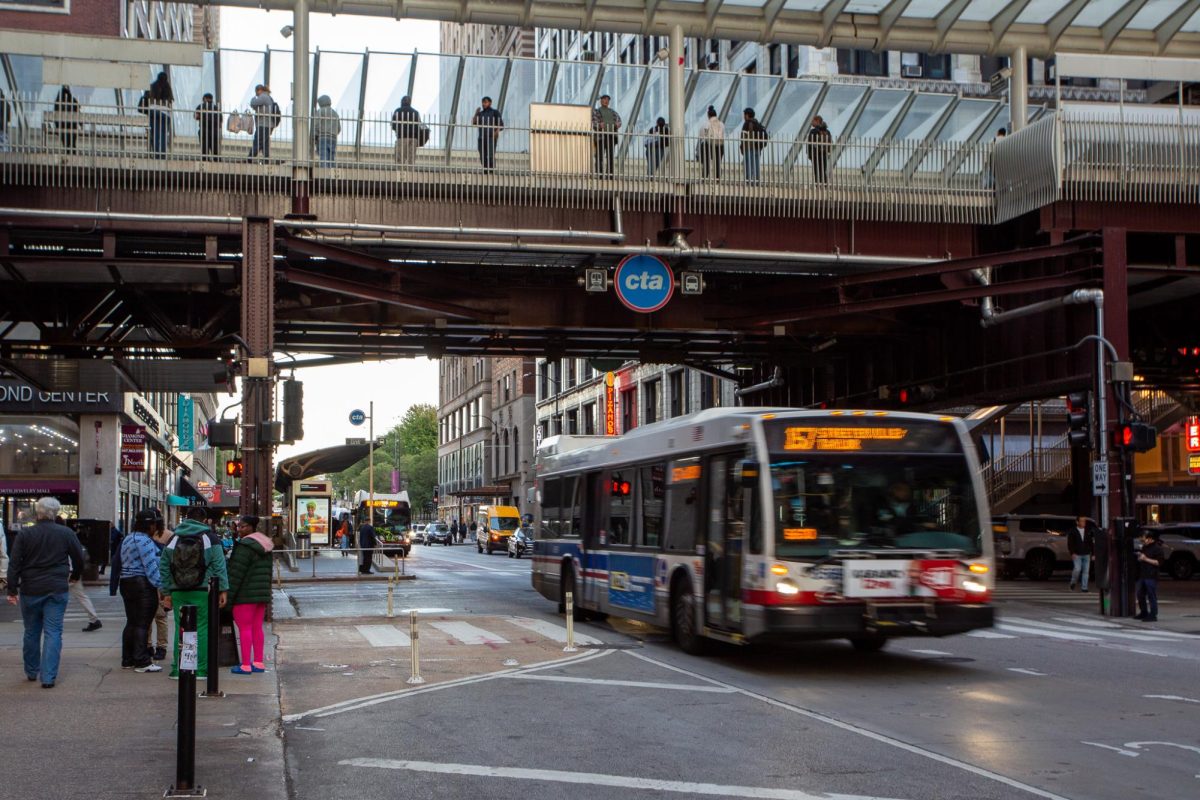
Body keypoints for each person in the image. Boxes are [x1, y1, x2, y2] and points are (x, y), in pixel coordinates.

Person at [6, 497, 87, 688]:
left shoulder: (25, 534)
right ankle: (48, 677)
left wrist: (11, 588)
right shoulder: (65, 533)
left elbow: (14, 562)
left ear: (38, 512)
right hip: (56, 588)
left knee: (31, 631)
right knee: (53, 632)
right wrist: (74, 575)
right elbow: (79, 558)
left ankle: (32, 670)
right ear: (56, 512)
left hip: (30, 588)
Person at [159, 507, 228, 679]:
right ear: (204, 520)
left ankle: (178, 668)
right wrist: (223, 590)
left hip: (178, 591)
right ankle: (201, 669)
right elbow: (220, 566)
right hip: (203, 590)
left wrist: (167, 591)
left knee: (180, 628)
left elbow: (164, 566)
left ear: (186, 519)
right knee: (202, 628)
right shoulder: (210, 538)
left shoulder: (173, 538)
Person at [117, 508, 164, 673]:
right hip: (142, 584)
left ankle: (127, 658)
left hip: (126, 582)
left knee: (131, 622)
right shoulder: (144, 541)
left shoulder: (128, 539)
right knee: (143, 623)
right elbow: (150, 567)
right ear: (150, 525)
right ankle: (142, 661)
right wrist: (162, 586)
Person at [226, 516, 273, 675]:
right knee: (256, 627)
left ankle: (245, 664)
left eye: (243, 527)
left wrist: (229, 597)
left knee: (244, 628)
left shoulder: (245, 546)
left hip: (245, 595)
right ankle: (258, 662)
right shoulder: (265, 545)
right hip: (261, 594)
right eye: (238, 526)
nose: (239, 530)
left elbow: (236, 573)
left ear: (252, 527)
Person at [1135, 529, 1165, 622]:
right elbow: (1143, 558)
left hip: (1151, 575)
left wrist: (1146, 559)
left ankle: (1153, 614)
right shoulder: (1145, 547)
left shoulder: (1157, 549)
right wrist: (1140, 558)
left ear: (1150, 539)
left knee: (1151, 595)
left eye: (1145, 539)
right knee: (1140, 593)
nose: (1143, 541)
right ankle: (1144, 611)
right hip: (1143, 574)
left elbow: (1158, 562)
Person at [591, 93, 621, 175]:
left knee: (610, 156)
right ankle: (599, 173)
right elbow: (593, 122)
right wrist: (599, 125)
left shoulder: (612, 112)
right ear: (601, 101)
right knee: (599, 156)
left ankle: (610, 174)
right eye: (604, 99)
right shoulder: (596, 111)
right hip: (600, 137)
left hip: (611, 136)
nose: (606, 101)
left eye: (607, 99)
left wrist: (618, 124)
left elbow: (619, 120)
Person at [471, 96, 504, 172]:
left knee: (490, 155)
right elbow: (474, 122)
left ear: (490, 103)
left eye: (485, 102)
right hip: (481, 138)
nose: (483, 104)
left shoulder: (495, 112)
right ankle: (486, 171)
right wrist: (476, 113)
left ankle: (491, 171)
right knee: (482, 155)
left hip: (491, 137)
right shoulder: (480, 114)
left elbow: (501, 124)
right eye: (482, 102)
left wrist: (497, 131)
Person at [146, 71, 174, 157]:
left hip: (154, 111)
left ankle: (156, 152)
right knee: (163, 134)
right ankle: (162, 153)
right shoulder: (168, 88)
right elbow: (171, 100)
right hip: (165, 113)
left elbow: (148, 98)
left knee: (155, 132)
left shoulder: (152, 86)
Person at [249, 84, 279, 161]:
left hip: (264, 124)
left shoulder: (263, 96)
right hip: (268, 124)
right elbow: (256, 107)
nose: (256, 94)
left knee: (258, 141)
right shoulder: (268, 97)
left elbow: (253, 103)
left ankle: (250, 157)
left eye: (256, 91)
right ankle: (266, 159)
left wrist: (253, 98)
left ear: (260, 90)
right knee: (265, 143)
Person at [739, 107, 768, 185]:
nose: (744, 116)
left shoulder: (747, 123)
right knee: (756, 165)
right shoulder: (757, 123)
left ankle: (749, 181)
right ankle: (757, 181)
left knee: (749, 165)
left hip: (749, 148)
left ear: (747, 115)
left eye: (744, 114)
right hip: (758, 148)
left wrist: (742, 147)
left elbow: (743, 137)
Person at [390, 95, 422, 165]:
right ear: (410, 102)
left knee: (400, 159)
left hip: (402, 137)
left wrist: (398, 130)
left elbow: (393, 125)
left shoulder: (398, 111)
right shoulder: (416, 112)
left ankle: (399, 173)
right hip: (413, 138)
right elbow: (420, 126)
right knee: (411, 159)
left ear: (402, 102)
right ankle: (410, 173)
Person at [1067, 516, 1095, 592]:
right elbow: (1070, 543)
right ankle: (1073, 583)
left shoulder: (1088, 531)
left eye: (1084, 521)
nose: (1084, 523)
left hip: (1086, 554)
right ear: (1077, 522)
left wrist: (1093, 554)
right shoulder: (1073, 531)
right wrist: (1072, 553)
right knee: (1077, 569)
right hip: (1077, 554)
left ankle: (1084, 588)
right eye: (1082, 521)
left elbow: (1091, 543)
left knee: (1086, 572)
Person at [312, 94, 340, 166]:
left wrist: (315, 136)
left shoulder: (320, 111)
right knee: (331, 157)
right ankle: (331, 171)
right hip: (333, 138)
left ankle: (324, 173)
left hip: (323, 138)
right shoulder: (335, 114)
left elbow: (316, 125)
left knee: (324, 157)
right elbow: (339, 129)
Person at [698, 106, 725, 180]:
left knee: (706, 161)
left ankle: (705, 177)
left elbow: (702, 136)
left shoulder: (706, 124)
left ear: (708, 115)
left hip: (708, 145)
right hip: (719, 145)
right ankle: (718, 177)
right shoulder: (721, 124)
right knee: (718, 162)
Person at [806, 115, 832, 185]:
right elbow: (829, 142)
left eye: (813, 121)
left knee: (817, 170)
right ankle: (825, 185)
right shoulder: (827, 131)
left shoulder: (813, 131)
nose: (811, 123)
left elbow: (810, 143)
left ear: (817, 121)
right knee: (823, 170)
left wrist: (809, 154)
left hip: (815, 154)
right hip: (824, 154)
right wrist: (828, 152)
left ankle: (818, 185)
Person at [194, 92, 221, 159]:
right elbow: (220, 122)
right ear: (211, 99)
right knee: (215, 150)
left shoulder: (200, 106)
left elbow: (196, 116)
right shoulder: (216, 108)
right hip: (214, 131)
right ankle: (216, 161)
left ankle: (205, 160)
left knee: (204, 149)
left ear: (204, 99)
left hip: (204, 130)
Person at [54, 86, 80, 152]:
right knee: (71, 142)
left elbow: (55, 116)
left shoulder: (58, 102)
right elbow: (78, 114)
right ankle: (71, 149)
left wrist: (57, 126)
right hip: (71, 126)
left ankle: (68, 149)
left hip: (63, 126)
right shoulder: (73, 101)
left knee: (66, 142)